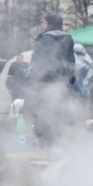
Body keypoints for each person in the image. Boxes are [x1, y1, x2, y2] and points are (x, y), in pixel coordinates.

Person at [25, 13, 76, 146]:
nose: (43, 25)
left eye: (44, 23)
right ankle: (59, 145)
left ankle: (45, 144)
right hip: (62, 86)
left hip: (45, 86)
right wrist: (69, 83)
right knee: (60, 116)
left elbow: (38, 64)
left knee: (43, 116)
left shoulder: (44, 40)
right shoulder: (68, 39)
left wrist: (33, 82)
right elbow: (71, 64)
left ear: (48, 24)